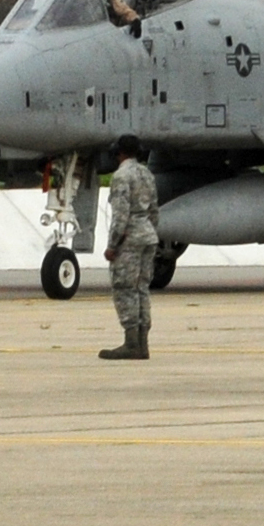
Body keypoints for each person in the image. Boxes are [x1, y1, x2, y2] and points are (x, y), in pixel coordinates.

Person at [100, 135, 159, 360]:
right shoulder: (146, 174)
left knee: (125, 287)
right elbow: (154, 209)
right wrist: (150, 231)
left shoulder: (121, 176)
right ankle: (143, 344)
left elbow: (120, 215)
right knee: (142, 288)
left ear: (119, 152)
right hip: (148, 235)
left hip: (130, 238)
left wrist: (113, 245)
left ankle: (131, 342)